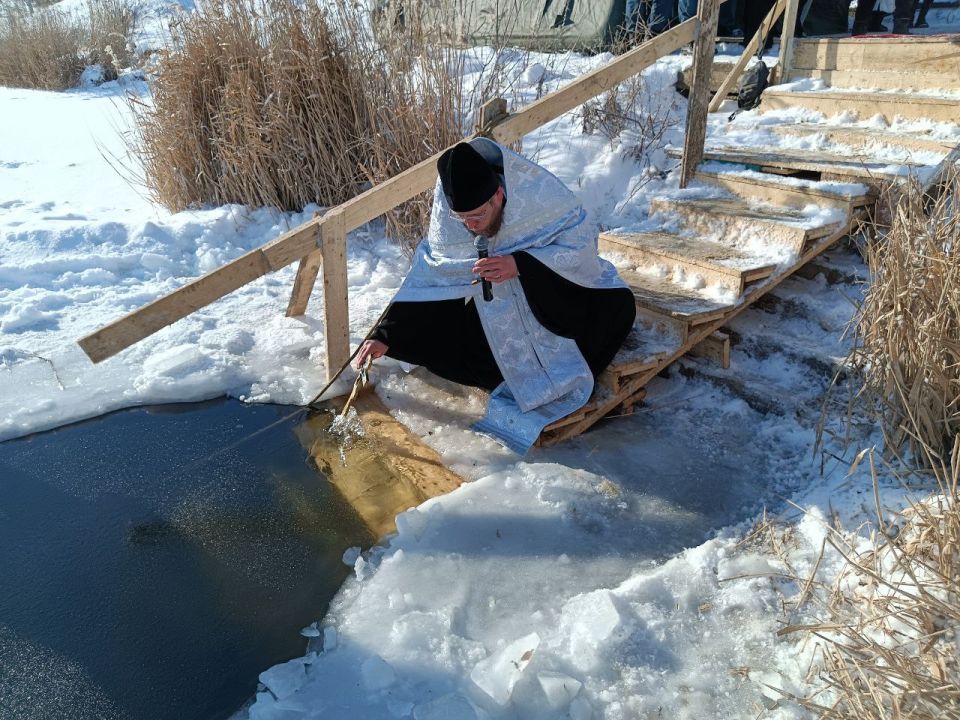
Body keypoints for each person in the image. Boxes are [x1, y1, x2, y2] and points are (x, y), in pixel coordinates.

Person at [354, 139, 636, 454]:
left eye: (478, 216)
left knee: (618, 309)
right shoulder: (453, 219)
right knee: (446, 342)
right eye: (463, 219)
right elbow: (431, 274)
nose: (471, 226)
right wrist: (386, 333)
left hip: (553, 302)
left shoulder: (542, 197)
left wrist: (520, 264)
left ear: (498, 195)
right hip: (496, 313)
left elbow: (581, 247)